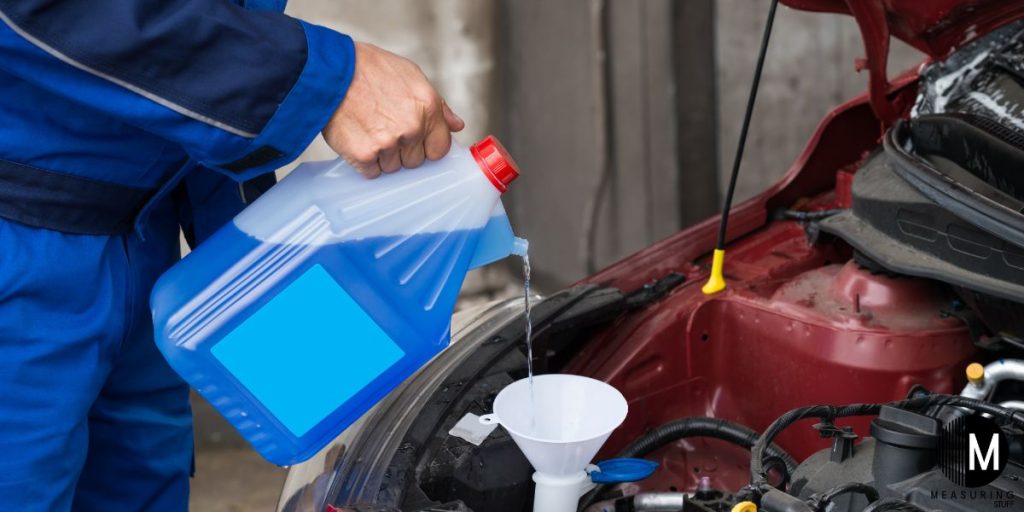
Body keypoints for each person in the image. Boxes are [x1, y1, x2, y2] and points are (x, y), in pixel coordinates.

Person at [0, 1, 464, 510]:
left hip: (144, 234)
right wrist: (328, 80)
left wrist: (247, 248)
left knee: (141, 488)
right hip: (20, 237)